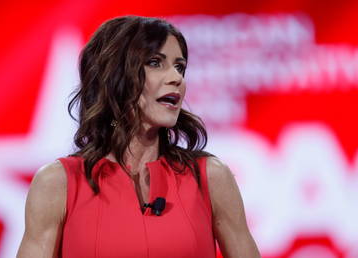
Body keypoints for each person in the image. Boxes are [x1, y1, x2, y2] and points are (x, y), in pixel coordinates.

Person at [17, 15, 261, 258]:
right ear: (115, 75)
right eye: (155, 62)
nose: (176, 78)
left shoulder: (209, 177)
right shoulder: (58, 183)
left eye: (180, 66)